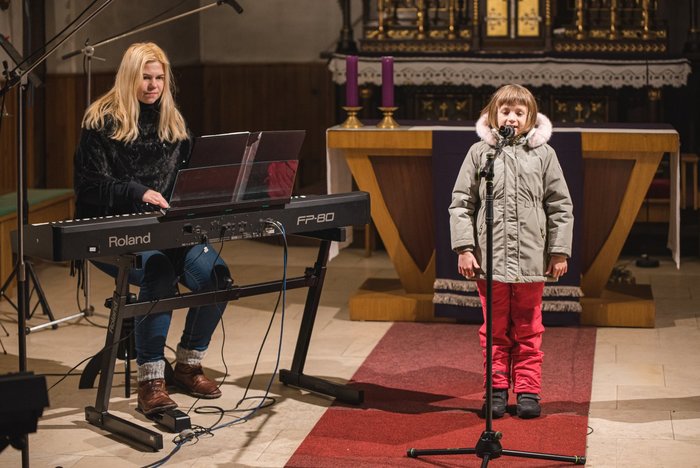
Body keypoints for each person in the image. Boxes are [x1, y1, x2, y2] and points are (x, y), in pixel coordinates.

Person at [74, 42, 231, 415]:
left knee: (218, 279)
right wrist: (136, 191)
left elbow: (191, 177)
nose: (153, 85)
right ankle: (151, 381)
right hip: (115, 230)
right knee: (158, 271)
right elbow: (88, 186)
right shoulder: (101, 121)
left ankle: (188, 364)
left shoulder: (173, 122)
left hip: (169, 230)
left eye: (159, 78)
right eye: (145, 77)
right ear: (129, 77)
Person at [449, 84, 573, 419]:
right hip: (490, 259)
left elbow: (560, 206)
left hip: (531, 258)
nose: (512, 118)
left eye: (519, 112)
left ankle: (529, 389)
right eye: (505, 111)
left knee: (529, 327)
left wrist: (559, 251)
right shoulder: (481, 153)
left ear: (531, 118)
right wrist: (465, 248)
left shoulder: (543, 154)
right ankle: (497, 389)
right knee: (494, 329)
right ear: (493, 115)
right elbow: (461, 203)